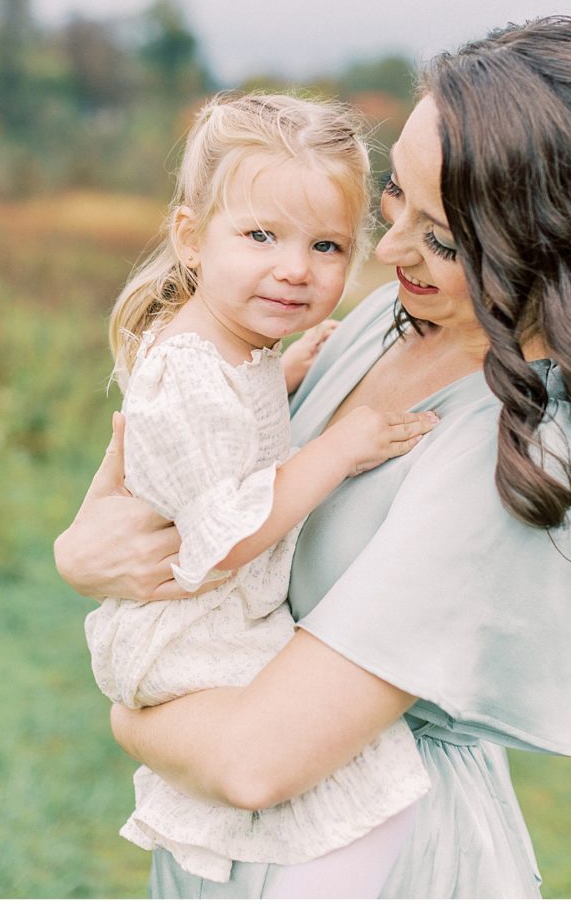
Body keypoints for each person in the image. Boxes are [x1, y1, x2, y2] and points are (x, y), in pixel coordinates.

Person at [55, 17, 571, 899]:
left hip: (371, 850)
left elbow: (255, 762)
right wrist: (82, 550)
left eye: (443, 240)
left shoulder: (515, 445)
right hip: (251, 833)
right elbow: (181, 489)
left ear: (542, 243)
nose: (391, 250)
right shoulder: (392, 320)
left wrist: (130, 709)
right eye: (394, 198)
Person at [82, 92, 435, 890]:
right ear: (190, 240)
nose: (295, 267)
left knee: (332, 788)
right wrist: (340, 446)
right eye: (261, 235)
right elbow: (226, 537)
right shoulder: (188, 373)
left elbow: (230, 437)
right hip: (199, 629)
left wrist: (285, 372)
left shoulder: (235, 352)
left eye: (326, 244)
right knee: (348, 784)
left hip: (220, 620)